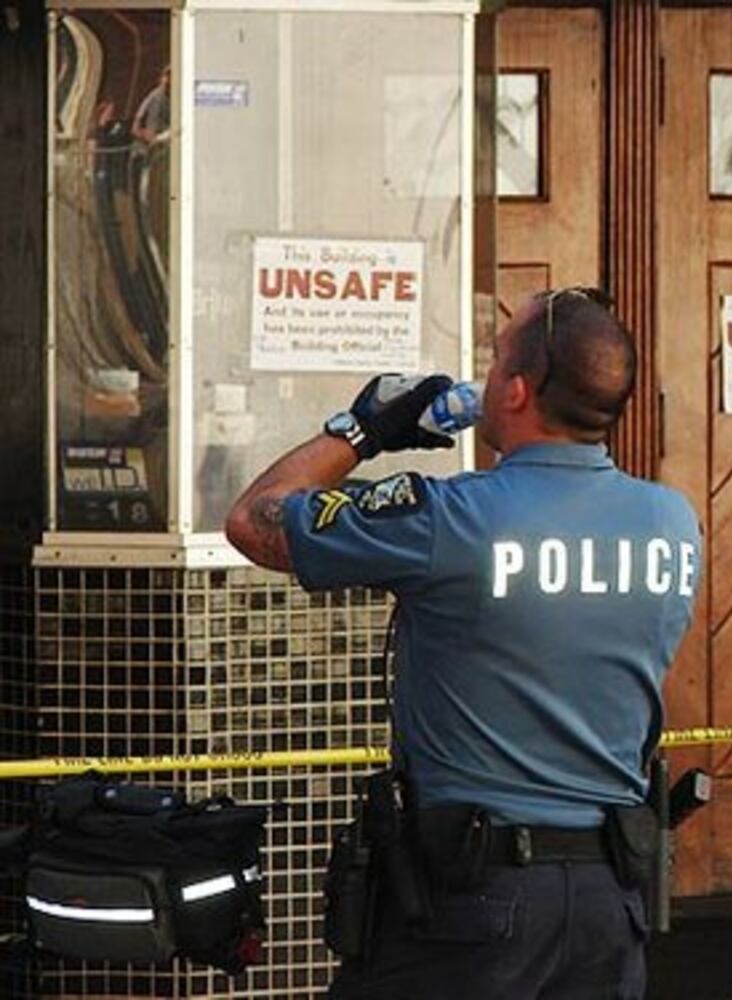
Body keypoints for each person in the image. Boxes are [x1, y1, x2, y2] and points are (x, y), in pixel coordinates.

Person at [225, 288, 702, 999]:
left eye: (492, 359)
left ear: (510, 390)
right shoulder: (671, 521)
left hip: (473, 907)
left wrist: (360, 431)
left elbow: (253, 521)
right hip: (608, 903)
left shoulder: (451, 519)